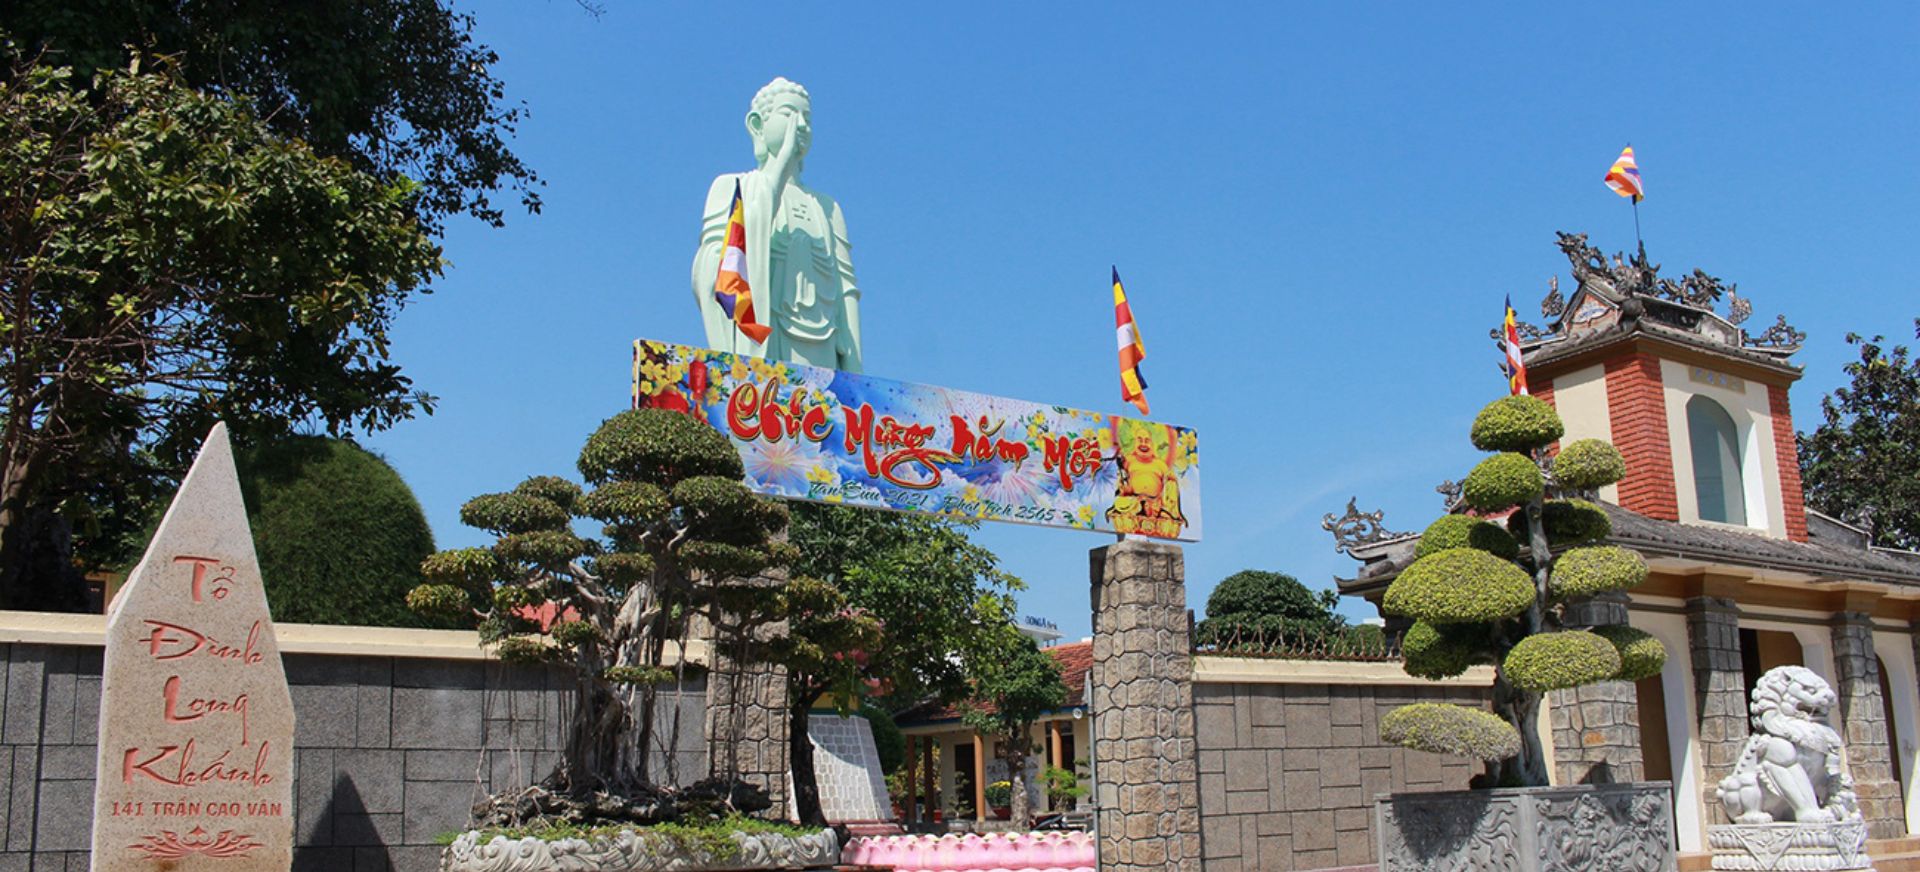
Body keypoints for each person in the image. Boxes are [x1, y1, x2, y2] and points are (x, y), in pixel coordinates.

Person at [691, 78, 863, 372]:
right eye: (788, 114)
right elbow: (711, 268)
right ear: (757, 125)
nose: (801, 125)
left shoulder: (828, 208)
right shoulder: (732, 187)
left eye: (807, 118)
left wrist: (855, 369)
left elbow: (846, 290)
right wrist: (778, 168)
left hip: (822, 343)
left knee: (820, 415)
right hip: (764, 336)